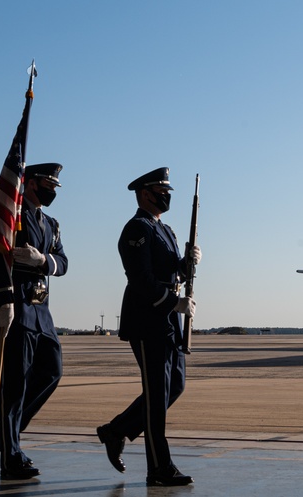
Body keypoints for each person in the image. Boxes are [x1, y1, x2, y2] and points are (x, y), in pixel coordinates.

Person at [97, 167, 202, 487]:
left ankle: (116, 431)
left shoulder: (165, 230)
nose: (166, 195)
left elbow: (174, 275)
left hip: (168, 320)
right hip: (147, 319)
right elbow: (140, 278)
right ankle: (159, 467)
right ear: (145, 193)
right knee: (157, 396)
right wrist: (174, 303)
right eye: (161, 190)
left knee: (174, 387)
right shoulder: (137, 228)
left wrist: (188, 263)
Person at [0, 162, 69, 480]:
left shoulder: (51, 223)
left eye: (55, 187)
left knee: (52, 372)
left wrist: (44, 260)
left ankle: (6, 435)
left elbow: (63, 262)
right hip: (17, 308)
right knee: (13, 385)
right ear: (29, 183)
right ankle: (11, 455)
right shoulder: (10, 215)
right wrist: (2, 300)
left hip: (42, 311)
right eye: (47, 184)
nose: (51, 190)